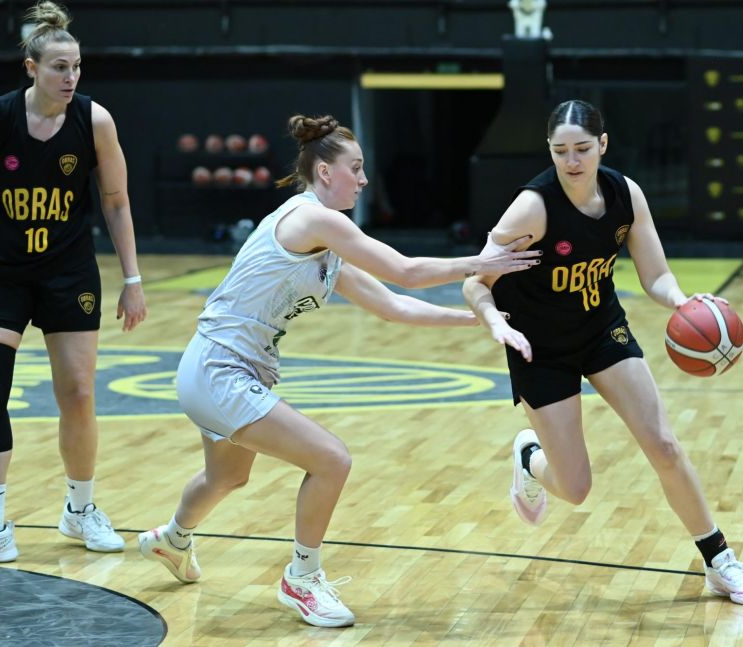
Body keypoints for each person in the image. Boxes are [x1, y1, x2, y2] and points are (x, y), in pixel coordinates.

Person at [138, 114, 540, 628]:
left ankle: (172, 540)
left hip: (219, 369)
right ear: (325, 172)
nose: (364, 179)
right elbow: (405, 271)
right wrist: (483, 262)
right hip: (220, 368)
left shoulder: (325, 246)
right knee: (332, 460)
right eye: (356, 168)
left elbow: (394, 305)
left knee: (228, 476)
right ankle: (301, 579)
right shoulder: (312, 218)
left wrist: (478, 319)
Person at [462, 99, 743, 606]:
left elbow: (655, 274)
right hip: (539, 345)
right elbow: (475, 281)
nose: (572, 161)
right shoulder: (532, 208)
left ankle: (719, 561)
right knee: (576, 488)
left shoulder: (626, 194)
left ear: (603, 144)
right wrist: (494, 320)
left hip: (601, 327)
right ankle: (530, 457)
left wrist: (680, 301)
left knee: (663, 445)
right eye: (560, 150)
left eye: (582, 149)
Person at [0, 1, 147, 567]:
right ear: (32, 68)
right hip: (1, 270)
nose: (71, 77)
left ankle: (80, 509)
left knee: (79, 393)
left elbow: (116, 202)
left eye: (77, 67)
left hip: (68, 271)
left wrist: (133, 279)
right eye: (59, 67)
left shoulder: (95, 121)